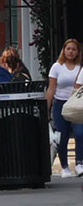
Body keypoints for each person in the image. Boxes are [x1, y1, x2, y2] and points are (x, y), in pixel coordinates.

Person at [47, 39, 83, 178]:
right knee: (62, 136)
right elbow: (51, 88)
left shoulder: (80, 67)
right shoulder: (57, 67)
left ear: (77, 52)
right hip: (60, 104)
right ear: (64, 50)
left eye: (74, 49)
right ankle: (65, 167)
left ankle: (79, 163)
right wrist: (47, 108)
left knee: (80, 133)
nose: (71, 52)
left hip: (76, 104)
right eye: (68, 49)